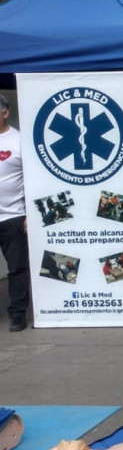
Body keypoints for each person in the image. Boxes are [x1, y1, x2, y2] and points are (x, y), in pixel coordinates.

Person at [0, 94, 29, 332]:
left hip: (13, 216)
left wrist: (29, 213)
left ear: (5, 112)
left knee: (17, 267)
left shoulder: (19, 141)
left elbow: (31, 179)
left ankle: (18, 314)